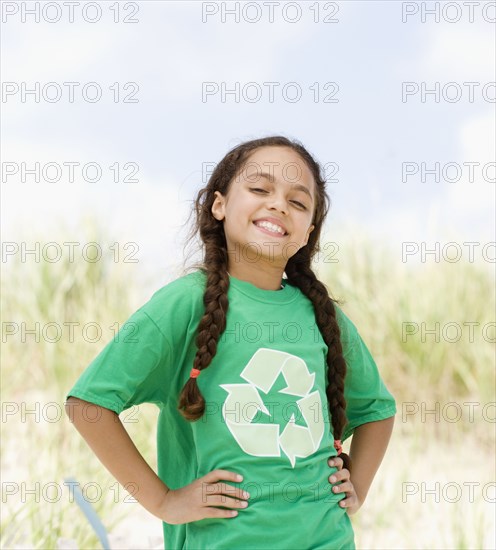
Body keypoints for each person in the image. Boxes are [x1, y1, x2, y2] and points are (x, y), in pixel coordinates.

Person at [65, 135, 396, 550]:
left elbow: (378, 410)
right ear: (219, 205)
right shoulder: (186, 303)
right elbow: (89, 404)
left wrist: (357, 488)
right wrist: (164, 501)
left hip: (326, 539)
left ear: (307, 232)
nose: (278, 204)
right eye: (259, 189)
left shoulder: (321, 314)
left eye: (298, 201)